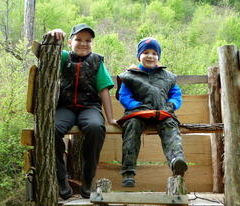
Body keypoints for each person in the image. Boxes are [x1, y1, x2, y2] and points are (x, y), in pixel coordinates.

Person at [47, 23, 119, 199]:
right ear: (70, 42)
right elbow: (44, 53)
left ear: (93, 43)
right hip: (66, 108)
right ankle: (61, 178)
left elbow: (103, 90)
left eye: (88, 40)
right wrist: (52, 34)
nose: (84, 43)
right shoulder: (63, 57)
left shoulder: (97, 61)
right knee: (53, 129)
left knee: (95, 127)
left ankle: (88, 177)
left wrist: (110, 118)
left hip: (89, 108)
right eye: (78, 39)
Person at [115, 37, 188, 187]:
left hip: (163, 112)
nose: (150, 56)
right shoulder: (129, 76)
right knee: (131, 126)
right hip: (138, 112)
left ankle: (176, 161)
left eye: (154, 53)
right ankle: (128, 171)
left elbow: (176, 95)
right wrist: (137, 105)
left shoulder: (168, 77)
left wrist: (171, 105)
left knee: (171, 127)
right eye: (146, 52)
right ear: (139, 56)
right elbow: (124, 96)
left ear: (158, 57)